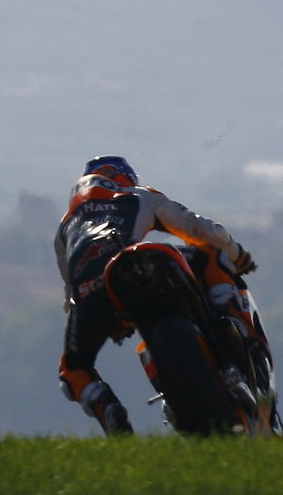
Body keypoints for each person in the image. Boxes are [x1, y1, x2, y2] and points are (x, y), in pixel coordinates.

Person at [54, 154, 258, 435]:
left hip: (93, 294)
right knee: (212, 251)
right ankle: (237, 325)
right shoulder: (138, 194)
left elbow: (71, 295)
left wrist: (104, 318)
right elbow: (200, 229)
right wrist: (238, 254)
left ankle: (105, 406)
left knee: (72, 370)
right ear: (122, 177)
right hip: (135, 263)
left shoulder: (66, 227)